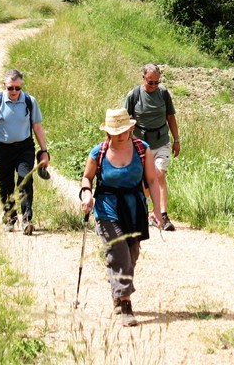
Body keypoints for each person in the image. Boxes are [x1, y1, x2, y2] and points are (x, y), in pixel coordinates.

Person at [80, 107, 162, 327]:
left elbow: (152, 181)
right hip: (107, 208)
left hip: (134, 207)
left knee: (132, 253)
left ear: (131, 128)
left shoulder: (142, 149)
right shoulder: (98, 152)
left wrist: (157, 209)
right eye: (115, 132)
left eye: (123, 130)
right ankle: (125, 303)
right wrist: (87, 194)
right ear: (108, 132)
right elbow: (87, 178)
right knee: (120, 252)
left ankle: (118, 292)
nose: (119, 135)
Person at [0, 69, 50, 235]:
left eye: (17, 88)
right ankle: (10, 217)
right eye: (10, 88)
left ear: (21, 86)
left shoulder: (30, 101)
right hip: (2, 148)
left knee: (25, 179)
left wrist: (44, 151)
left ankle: (26, 219)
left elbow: (37, 126)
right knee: (6, 183)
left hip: (24, 147)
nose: (14, 91)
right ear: (5, 86)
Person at [124, 64, 180, 231]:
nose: (154, 86)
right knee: (144, 181)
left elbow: (170, 117)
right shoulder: (134, 95)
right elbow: (124, 120)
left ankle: (163, 216)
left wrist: (176, 140)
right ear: (143, 78)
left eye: (156, 82)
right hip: (140, 144)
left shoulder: (163, 94)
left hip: (161, 140)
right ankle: (147, 212)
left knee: (159, 174)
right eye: (150, 82)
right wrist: (124, 143)